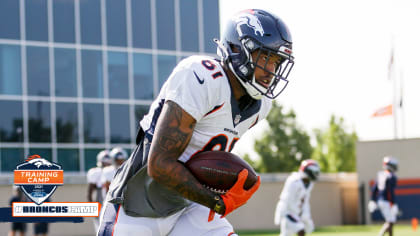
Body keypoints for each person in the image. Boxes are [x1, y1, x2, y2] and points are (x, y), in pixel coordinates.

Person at [98, 9, 295, 236]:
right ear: (236, 49)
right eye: (265, 57)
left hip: (189, 207)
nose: (271, 71)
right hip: (138, 206)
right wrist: (219, 202)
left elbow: (211, 157)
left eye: (277, 61)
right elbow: (159, 164)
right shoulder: (200, 77)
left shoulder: (261, 106)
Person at [274, 160, 321, 236]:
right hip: (287, 211)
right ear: (308, 171)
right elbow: (288, 200)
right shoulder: (294, 181)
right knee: (301, 230)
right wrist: (298, 214)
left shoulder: (310, 184)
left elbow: (305, 201)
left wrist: (306, 215)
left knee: (286, 234)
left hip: (296, 212)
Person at [368, 156, 399, 236]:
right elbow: (390, 191)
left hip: (381, 201)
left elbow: (374, 189)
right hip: (386, 201)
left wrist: (373, 200)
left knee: (390, 222)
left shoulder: (381, 175)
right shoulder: (391, 177)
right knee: (390, 221)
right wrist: (393, 203)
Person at [86, 150, 112, 233]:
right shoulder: (95, 172)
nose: (107, 164)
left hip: (110, 200)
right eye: (105, 162)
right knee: (99, 226)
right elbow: (90, 191)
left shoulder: (113, 171)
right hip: (100, 200)